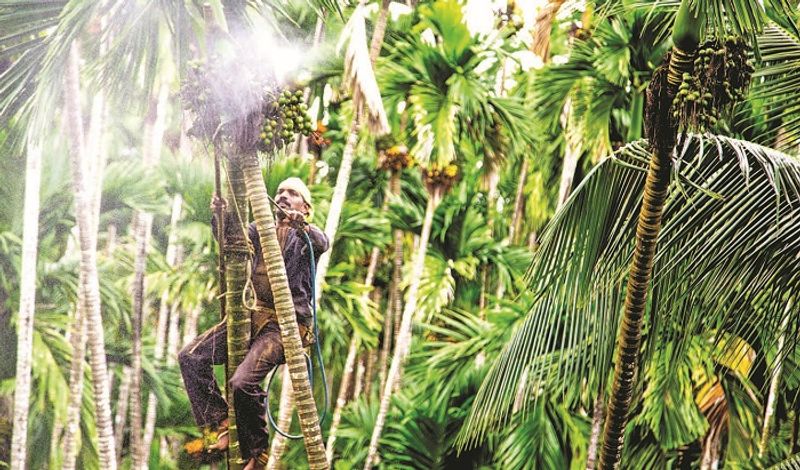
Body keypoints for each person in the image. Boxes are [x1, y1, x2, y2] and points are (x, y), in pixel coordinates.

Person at [178, 177, 328, 470]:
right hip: (251, 315)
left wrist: (302, 226)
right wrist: (220, 216)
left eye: (292, 194)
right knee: (191, 357)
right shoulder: (259, 230)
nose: (283, 196)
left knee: (242, 382)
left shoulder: (306, 237)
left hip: (286, 326)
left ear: (306, 208)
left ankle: (258, 453)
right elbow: (231, 241)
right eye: (280, 192)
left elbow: (322, 241)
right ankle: (219, 423)